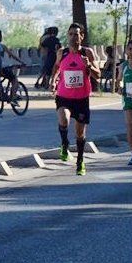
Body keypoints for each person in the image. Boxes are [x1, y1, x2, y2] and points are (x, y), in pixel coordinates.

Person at [49, 23, 100, 176]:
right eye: (70, 34)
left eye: (76, 34)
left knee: (80, 134)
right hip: (64, 96)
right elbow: (56, 67)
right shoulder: (62, 52)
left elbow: (98, 75)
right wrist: (53, 80)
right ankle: (64, 144)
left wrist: (88, 66)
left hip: (82, 99)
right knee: (64, 119)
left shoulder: (87, 53)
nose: (73, 37)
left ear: (82, 36)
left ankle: (80, 161)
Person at [115, 39, 132, 166]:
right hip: (128, 101)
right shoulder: (123, 66)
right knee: (131, 126)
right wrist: (119, 87)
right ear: (127, 51)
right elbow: (119, 81)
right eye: (131, 49)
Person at [0, 30, 27, 104]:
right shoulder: (2, 46)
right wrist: (21, 62)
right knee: (14, 80)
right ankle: (13, 97)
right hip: (3, 68)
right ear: (0, 37)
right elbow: (12, 56)